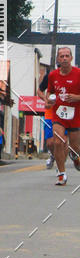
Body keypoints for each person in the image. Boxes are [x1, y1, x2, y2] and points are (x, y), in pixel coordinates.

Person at [45, 47, 80, 186]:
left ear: (71, 58)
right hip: (59, 114)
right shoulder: (53, 75)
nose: (64, 58)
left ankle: (75, 156)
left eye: (67, 56)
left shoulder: (78, 73)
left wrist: (76, 97)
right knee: (57, 142)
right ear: (58, 59)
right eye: (61, 56)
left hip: (76, 114)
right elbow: (49, 92)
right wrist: (49, 100)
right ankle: (61, 174)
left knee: (75, 146)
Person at [38, 71, 56, 168]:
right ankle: (53, 155)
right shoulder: (50, 76)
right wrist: (46, 100)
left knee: (62, 141)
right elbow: (39, 91)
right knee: (50, 143)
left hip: (64, 113)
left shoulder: (73, 75)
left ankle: (61, 168)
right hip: (50, 113)